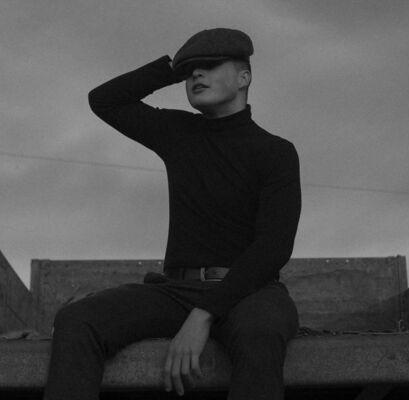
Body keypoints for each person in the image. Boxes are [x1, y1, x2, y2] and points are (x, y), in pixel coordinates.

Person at [43, 27, 301, 400]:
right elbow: (105, 101)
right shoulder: (179, 133)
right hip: (177, 290)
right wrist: (172, 68)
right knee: (77, 320)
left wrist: (203, 315)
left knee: (262, 333)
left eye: (211, 65)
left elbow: (274, 246)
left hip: (251, 292)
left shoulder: (275, 152)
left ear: (244, 77)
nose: (196, 74)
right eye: (190, 70)